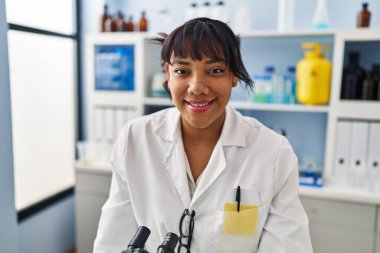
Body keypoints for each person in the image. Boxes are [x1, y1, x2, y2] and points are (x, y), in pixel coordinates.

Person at [93, 17, 313, 253]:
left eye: (215, 70)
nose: (197, 87)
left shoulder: (273, 153)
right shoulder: (135, 139)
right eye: (182, 70)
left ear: (234, 75)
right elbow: (112, 242)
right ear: (168, 74)